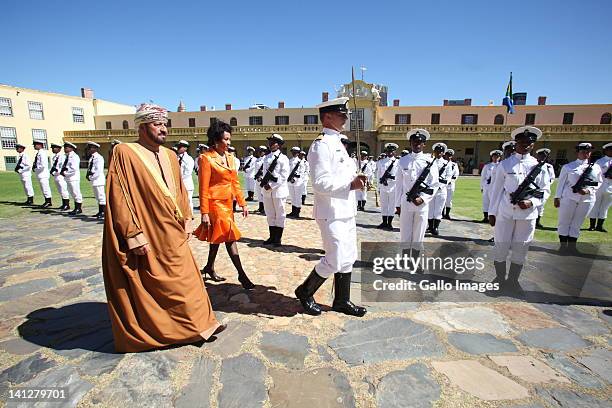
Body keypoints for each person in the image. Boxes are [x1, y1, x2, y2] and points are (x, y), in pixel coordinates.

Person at [102, 103, 224, 352]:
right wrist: (132, 233)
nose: (163, 129)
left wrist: (187, 217)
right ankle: (173, 331)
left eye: (165, 124)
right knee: (158, 285)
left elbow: (180, 191)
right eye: (157, 124)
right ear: (142, 125)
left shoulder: (170, 155)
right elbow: (119, 195)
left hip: (173, 229)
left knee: (188, 279)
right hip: (147, 230)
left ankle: (201, 324)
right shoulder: (125, 152)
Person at [294, 97, 367, 317]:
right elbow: (320, 182)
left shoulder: (338, 143)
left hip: (346, 209)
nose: (346, 117)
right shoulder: (321, 145)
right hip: (330, 212)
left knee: (348, 256)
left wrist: (357, 178)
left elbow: (341, 174)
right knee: (334, 258)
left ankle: (342, 301)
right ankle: (305, 291)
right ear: (327, 117)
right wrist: (350, 184)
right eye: (341, 114)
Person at [194, 120, 255, 289]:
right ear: (215, 140)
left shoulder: (230, 158)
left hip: (228, 204)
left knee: (218, 236)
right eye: (225, 139)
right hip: (215, 204)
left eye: (230, 139)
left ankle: (209, 267)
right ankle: (242, 275)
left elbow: (234, 181)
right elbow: (203, 187)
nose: (228, 143)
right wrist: (204, 212)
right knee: (229, 236)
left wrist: (242, 203)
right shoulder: (206, 159)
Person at [488, 126, 546, 294]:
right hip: (506, 212)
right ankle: (499, 279)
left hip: (527, 215)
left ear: (533, 145)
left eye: (529, 142)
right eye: (522, 142)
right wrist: (492, 213)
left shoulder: (540, 167)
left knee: (521, 247)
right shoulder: (505, 164)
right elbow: (497, 190)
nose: (525, 145)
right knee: (501, 245)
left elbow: (545, 191)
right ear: (516, 144)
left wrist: (532, 202)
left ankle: (513, 281)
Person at [395, 129, 439, 267]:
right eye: (414, 142)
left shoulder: (430, 161)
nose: (417, 144)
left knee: (419, 232)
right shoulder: (402, 161)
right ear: (410, 143)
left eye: (420, 142)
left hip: (421, 204)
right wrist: (397, 204)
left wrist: (424, 198)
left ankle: (415, 260)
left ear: (424, 144)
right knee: (405, 231)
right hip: (406, 202)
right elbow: (398, 185)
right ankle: (404, 259)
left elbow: (435, 184)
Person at [554, 142, 602, 248]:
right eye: (583, 151)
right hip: (569, 197)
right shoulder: (568, 166)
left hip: (587, 198)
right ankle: (562, 246)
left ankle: (572, 247)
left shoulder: (596, 167)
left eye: (588, 151)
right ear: (577, 152)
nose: (586, 153)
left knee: (578, 222)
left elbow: (599, 182)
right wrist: (557, 197)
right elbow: (561, 183)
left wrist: (589, 191)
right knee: (564, 221)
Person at [261, 134, 290, 246]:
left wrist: (272, 185)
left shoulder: (283, 158)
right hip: (267, 191)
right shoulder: (266, 158)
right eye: (270, 142)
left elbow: (284, 175)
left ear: (279, 145)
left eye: (273, 142)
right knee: (270, 214)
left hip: (278, 191)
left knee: (280, 214)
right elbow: (264, 174)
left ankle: (278, 239)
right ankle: (272, 237)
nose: (271, 144)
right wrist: (265, 184)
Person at [428, 142, 451, 236]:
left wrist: (441, 184)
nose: (438, 153)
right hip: (431, 189)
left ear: (443, 153)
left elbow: (449, 176)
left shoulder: (446, 164)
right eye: (437, 151)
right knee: (430, 209)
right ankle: (430, 226)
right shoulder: (430, 162)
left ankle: (436, 227)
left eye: (441, 151)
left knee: (438, 209)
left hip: (441, 189)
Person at [588, 142, 612, 232]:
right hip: (599, 187)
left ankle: (600, 226)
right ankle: (592, 226)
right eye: (609, 150)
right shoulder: (600, 161)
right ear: (605, 151)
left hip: (610, 188)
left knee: (605, 208)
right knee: (595, 206)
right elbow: (594, 174)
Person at [376, 143, 399, 229]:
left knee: (392, 205)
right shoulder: (381, 162)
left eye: (392, 151)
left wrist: (392, 178)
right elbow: (378, 175)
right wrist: (379, 186)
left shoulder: (398, 162)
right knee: (384, 204)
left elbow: (399, 176)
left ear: (394, 152)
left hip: (394, 186)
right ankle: (384, 222)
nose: (390, 153)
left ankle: (390, 223)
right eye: (388, 151)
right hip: (383, 186)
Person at [534, 148, 556, 229]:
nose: (543, 157)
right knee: (534, 205)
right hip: (535, 190)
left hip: (545, 190)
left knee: (541, 206)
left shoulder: (549, 166)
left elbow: (552, 178)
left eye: (545, 156)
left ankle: (537, 222)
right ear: (538, 156)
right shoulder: (534, 165)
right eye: (541, 155)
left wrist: (547, 185)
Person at [60, 142, 83, 215]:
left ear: (71, 148)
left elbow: (73, 169)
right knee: (72, 193)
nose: (65, 149)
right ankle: (76, 207)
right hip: (69, 178)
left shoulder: (74, 157)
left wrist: (65, 173)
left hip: (73, 178)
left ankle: (78, 208)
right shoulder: (68, 156)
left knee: (76, 193)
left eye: (66, 148)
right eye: (64, 148)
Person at [480, 150, 502, 223]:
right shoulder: (487, 166)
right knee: (486, 202)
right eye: (494, 156)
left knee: (495, 202)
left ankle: (494, 217)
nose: (496, 158)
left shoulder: (501, 165)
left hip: (496, 187)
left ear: (499, 157)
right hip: (487, 186)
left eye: (497, 157)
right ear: (492, 157)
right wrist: (482, 187)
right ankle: (485, 217)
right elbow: (483, 177)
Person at [86, 141, 106, 218]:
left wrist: (91, 177)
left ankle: (103, 212)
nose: (89, 150)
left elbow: (98, 170)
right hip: (94, 180)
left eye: (90, 148)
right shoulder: (92, 158)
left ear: (95, 149)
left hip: (98, 180)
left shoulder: (99, 158)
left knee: (101, 196)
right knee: (97, 196)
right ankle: (100, 211)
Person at [287, 146, 307, 217]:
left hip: (298, 182)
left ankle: (297, 212)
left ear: (298, 153)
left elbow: (302, 173)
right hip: (290, 181)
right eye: (293, 152)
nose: (294, 153)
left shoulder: (300, 162)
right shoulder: (290, 161)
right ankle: (293, 211)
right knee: (292, 197)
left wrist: (294, 178)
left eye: (295, 152)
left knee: (298, 197)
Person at [49, 143, 70, 210]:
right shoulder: (55, 156)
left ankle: (66, 204)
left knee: (63, 189)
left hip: (60, 176)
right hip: (56, 176)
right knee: (60, 190)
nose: (53, 149)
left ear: (59, 149)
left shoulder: (62, 156)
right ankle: (63, 203)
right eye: (52, 148)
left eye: (54, 148)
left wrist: (56, 172)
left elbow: (62, 167)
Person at [32, 140, 52, 208]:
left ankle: (48, 201)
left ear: (39, 145)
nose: (34, 146)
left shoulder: (42, 153)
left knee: (45, 188)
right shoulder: (39, 153)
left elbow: (42, 165)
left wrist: (35, 169)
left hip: (43, 174)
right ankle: (47, 201)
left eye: (35, 145)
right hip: (40, 174)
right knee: (43, 188)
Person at [176, 140, 195, 211]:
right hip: (178, 184)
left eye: (180, 147)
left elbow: (188, 172)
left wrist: (180, 179)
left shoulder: (189, 159)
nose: (178, 148)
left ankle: (190, 215)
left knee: (188, 200)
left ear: (185, 148)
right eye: (178, 147)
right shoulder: (176, 157)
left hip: (186, 184)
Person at [443, 149, 459, 220]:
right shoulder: (442, 163)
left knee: (449, 200)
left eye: (450, 156)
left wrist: (450, 180)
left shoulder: (454, 165)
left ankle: (447, 214)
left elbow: (456, 174)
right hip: (442, 185)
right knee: (442, 198)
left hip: (450, 185)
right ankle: (441, 213)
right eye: (447, 155)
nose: (448, 157)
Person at [253, 145, 268, 214]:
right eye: (259, 151)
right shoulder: (257, 159)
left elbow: (266, 170)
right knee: (259, 194)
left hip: (262, 179)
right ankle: (260, 207)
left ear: (264, 152)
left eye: (261, 151)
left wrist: (261, 177)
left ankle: (265, 208)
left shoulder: (266, 159)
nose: (259, 153)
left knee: (263, 194)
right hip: (257, 179)